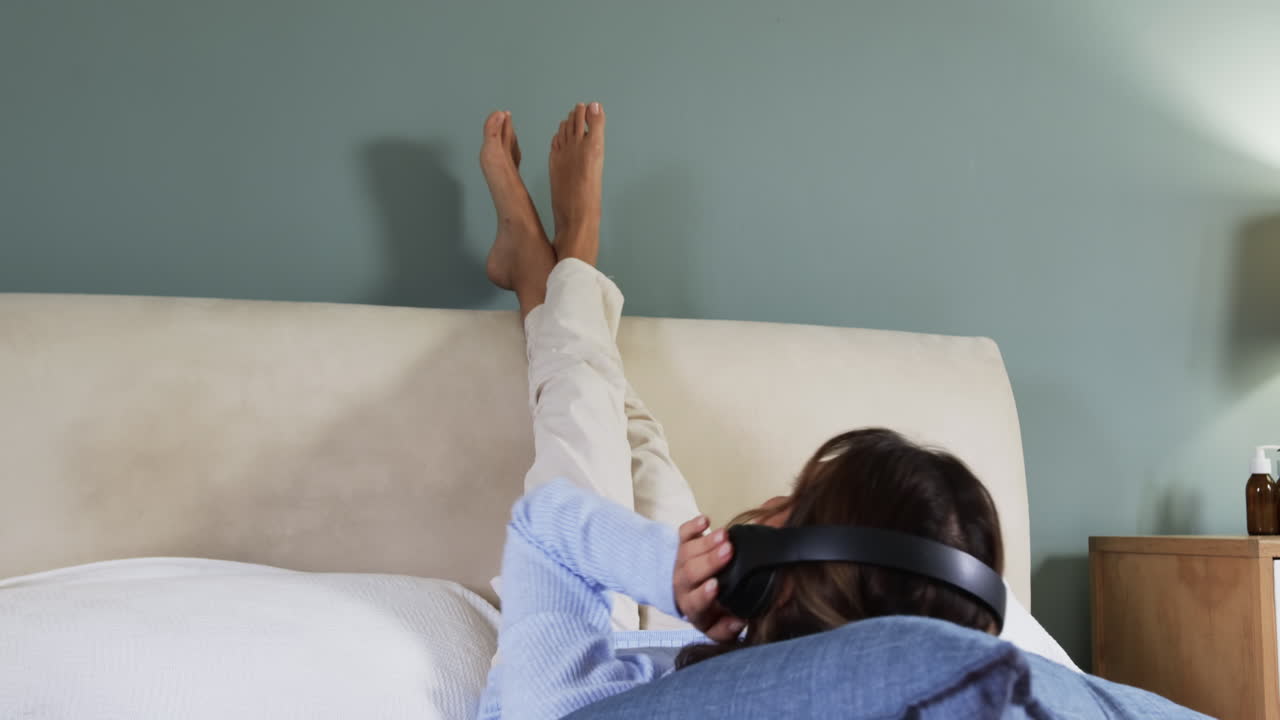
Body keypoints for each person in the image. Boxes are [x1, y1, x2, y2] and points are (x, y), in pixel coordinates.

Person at [472, 103, 1178, 720]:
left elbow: (547, 527)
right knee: (640, 450)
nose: (773, 503)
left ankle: (558, 262)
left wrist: (663, 569)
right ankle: (555, 279)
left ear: (773, 576)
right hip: (709, 639)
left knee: (586, 443)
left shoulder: (568, 703)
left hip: (628, 638)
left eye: (798, 503)